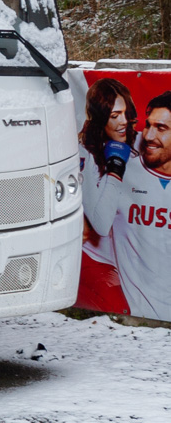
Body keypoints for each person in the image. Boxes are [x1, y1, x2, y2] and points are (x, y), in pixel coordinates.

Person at [88, 91, 171, 321]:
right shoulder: (122, 157)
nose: (149, 135)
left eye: (161, 128)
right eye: (148, 125)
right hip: (134, 315)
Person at [75, 78, 134, 313]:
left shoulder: (129, 140)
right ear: (100, 118)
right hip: (95, 260)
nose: (124, 122)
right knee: (120, 311)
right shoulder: (85, 154)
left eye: (125, 113)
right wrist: (115, 171)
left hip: (125, 261)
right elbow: (100, 224)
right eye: (114, 116)